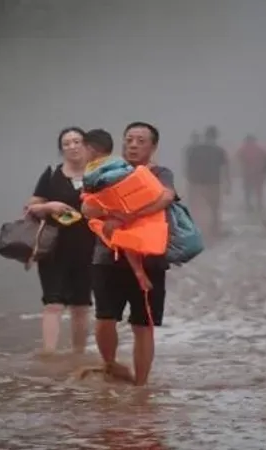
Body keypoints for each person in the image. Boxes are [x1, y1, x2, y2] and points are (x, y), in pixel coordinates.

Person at [82, 122, 176, 386]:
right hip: (107, 256)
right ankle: (110, 366)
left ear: (153, 146)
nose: (133, 145)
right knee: (104, 317)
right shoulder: (105, 172)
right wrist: (107, 214)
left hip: (150, 259)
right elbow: (87, 210)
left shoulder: (161, 173)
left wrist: (128, 214)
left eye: (141, 141)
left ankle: (141, 388)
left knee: (143, 324)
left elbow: (166, 197)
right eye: (129, 140)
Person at [25, 127, 95, 355]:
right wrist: (49, 206)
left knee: (81, 306)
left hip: (89, 248)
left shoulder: (98, 175)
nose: (72, 147)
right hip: (54, 247)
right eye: (67, 143)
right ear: (61, 149)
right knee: (53, 303)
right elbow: (30, 208)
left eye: (77, 141)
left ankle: (78, 355)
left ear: (86, 146)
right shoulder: (52, 174)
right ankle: (49, 355)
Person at [185, 125, 229, 239]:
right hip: (213, 183)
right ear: (215, 137)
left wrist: (190, 180)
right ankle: (214, 231)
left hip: (196, 183)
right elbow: (225, 168)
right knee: (214, 208)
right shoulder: (219, 151)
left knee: (197, 208)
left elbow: (188, 166)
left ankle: (196, 231)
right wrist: (228, 183)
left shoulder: (195, 149)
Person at [235, 134, 266, 213]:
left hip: (249, 172)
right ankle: (258, 204)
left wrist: (245, 163)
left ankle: (249, 204)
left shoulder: (244, 148)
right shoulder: (259, 149)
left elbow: (239, 157)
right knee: (257, 189)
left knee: (248, 190)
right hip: (257, 172)